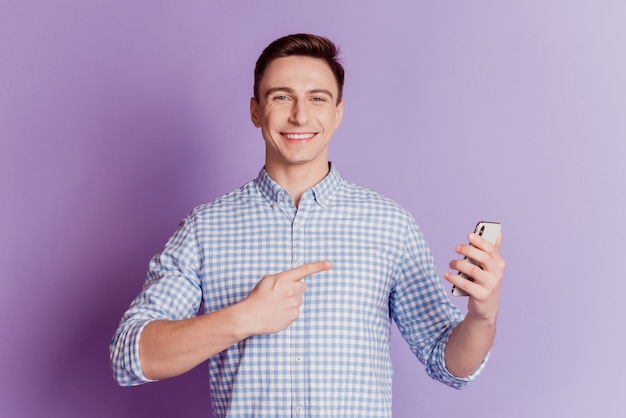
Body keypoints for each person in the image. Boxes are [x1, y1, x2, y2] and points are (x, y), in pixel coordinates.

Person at [110, 33, 505, 417]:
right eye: (282, 97)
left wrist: (482, 315)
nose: (300, 115)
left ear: (337, 113)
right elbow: (130, 355)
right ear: (254, 110)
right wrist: (242, 318)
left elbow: (449, 362)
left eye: (317, 98)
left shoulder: (389, 225)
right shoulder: (204, 228)